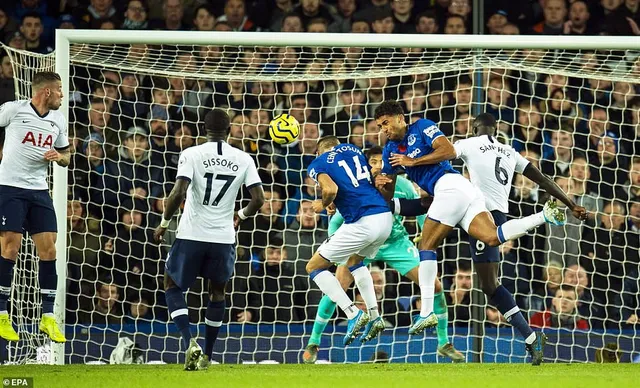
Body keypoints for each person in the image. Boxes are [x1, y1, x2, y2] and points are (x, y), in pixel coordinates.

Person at [373, 102, 587, 366]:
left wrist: (411, 161)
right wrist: (571, 204)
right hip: (491, 211)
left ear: (474, 127)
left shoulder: (468, 143)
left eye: (385, 123)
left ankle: (427, 310)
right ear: (496, 129)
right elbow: (543, 179)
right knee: (489, 283)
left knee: (432, 243)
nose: (383, 130)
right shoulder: (510, 151)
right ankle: (531, 338)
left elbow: (447, 153)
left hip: (469, 203)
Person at [302, 146, 464, 364]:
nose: (378, 166)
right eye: (374, 162)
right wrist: (338, 247)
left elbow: (422, 212)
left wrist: (426, 237)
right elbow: (336, 221)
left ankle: (444, 343)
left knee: (434, 286)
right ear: (366, 165)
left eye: (382, 161)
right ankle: (314, 342)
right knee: (337, 288)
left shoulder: (403, 184)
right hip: (362, 239)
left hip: (396, 242)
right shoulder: (360, 185)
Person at [153, 109, 265, 371]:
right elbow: (259, 199)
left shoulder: (192, 153)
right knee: (217, 292)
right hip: (223, 238)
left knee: (172, 284)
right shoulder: (244, 158)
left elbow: (178, 191)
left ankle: (189, 341)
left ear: (205, 131)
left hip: (191, 234)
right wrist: (241, 214)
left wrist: (163, 223)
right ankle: (209, 354)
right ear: (228, 132)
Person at [0, 71, 69, 344]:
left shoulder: (58, 119)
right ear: (48, 92)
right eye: (60, 90)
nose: (63, 95)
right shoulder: (14, 110)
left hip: (39, 190)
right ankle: (3, 314)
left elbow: (67, 156)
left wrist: (60, 157)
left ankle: (48, 318)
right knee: (10, 248)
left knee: (50, 249)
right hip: (9, 188)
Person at [305, 136, 393, 347]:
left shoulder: (318, 163)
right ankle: (374, 316)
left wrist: (322, 203)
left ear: (319, 151)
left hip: (362, 222)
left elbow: (330, 189)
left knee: (314, 266)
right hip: (384, 218)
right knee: (355, 262)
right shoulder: (354, 150)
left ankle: (352, 313)